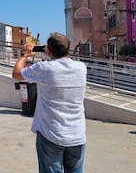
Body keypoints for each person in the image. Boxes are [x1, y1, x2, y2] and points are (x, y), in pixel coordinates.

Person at [12, 32, 87, 173]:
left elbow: (16, 73)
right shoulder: (81, 68)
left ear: (49, 50)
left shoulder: (45, 68)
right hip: (77, 134)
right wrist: (51, 53)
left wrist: (25, 54)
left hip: (51, 134)